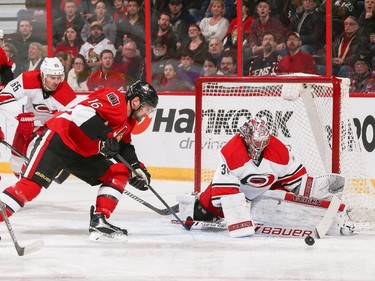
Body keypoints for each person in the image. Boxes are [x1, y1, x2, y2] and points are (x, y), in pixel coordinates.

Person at [0, 80, 159, 241]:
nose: (147, 114)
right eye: (147, 109)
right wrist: (104, 136)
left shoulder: (129, 121)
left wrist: (136, 168)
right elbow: (81, 112)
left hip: (81, 154)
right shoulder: (115, 99)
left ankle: (99, 221)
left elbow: (124, 145)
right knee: (30, 187)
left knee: (119, 172)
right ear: (136, 101)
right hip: (59, 141)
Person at [177, 117, 355, 238]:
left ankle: (321, 202)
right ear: (246, 138)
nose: (261, 146)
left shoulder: (277, 150)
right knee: (204, 211)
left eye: (264, 141)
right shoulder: (231, 153)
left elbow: (294, 178)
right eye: (257, 142)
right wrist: (240, 219)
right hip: (239, 192)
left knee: (285, 197)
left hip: (266, 186)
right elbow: (225, 192)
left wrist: (311, 190)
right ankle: (195, 204)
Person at [0, 57, 78, 177]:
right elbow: (4, 96)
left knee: (34, 152)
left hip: (50, 128)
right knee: (15, 161)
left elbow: (76, 121)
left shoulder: (66, 95)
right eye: (53, 78)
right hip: (28, 123)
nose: (57, 82)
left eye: (59, 78)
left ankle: (27, 183)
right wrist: (20, 116)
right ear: (42, 75)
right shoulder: (28, 79)